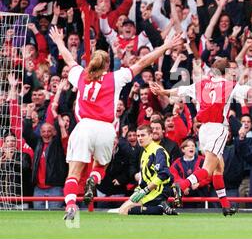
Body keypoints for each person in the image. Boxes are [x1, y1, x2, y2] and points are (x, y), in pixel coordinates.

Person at [48, 26, 183, 220]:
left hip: (85, 126)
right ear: (108, 64)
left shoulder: (80, 76)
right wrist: (165, 46)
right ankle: (93, 180)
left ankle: (70, 205)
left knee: (74, 172)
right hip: (105, 129)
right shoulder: (116, 77)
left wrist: (60, 41)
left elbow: (69, 60)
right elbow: (144, 61)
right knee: (101, 166)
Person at [150, 58, 252, 216]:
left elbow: (179, 90)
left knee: (219, 167)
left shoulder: (201, 84)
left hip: (203, 130)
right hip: (218, 128)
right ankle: (181, 186)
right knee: (208, 169)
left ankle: (225, 205)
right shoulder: (228, 85)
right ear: (226, 71)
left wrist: (162, 91)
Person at [117, 125, 177, 215]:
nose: (140, 138)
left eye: (143, 135)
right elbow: (145, 177)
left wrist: (145, 190)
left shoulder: (158, 151)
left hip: (157, 192)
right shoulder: (144, 152)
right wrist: (138, 190)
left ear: (151, 136)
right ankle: (160, 208)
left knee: (125, 211)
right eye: (138, 136)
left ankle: (160, 208)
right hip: (148, 191)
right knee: (122, 210)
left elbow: (163, 174)